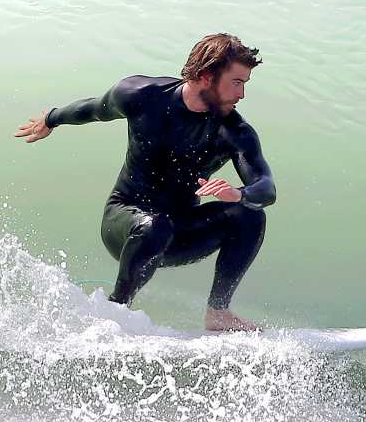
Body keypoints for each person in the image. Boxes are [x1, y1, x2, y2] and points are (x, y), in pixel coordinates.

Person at [14, 33, 275, 331]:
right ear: (206, 76)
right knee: (155, 225)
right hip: (124, 221)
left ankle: (218, 312)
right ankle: (117, 311)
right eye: (236, 83)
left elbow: (265, 186)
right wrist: (51, 118)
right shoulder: (143, 95)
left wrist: (239, 194)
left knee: (250, 216)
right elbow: (94, 109)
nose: (241, 95)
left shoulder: (234, 131)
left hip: (178, 232)